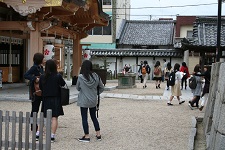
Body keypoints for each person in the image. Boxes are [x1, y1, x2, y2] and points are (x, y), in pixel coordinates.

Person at [76, 60, 104, 142]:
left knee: (84, 118)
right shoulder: (96, 76)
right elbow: (102, 88)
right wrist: (95, 93)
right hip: (93, 100)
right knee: (93, 117)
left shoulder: (81, 77)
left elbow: (77, 88)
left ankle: (87, 136)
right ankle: (98, 134)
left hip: (83, 100)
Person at [39, 59, 65, 142]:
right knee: (54, 117)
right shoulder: (57, 76)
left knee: (43, 116)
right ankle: (52, 135)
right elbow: (63, 84)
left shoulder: (42, 76)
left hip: (45, 98)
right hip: (55, 98)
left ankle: (38, 133)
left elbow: (40, 86)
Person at [24, 52, 44, 132]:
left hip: (41, 90)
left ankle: (39, 125)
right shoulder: (34, 67)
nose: (44, 59)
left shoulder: (41, 67)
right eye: (42, 58)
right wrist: (34, 78)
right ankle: (33, 125)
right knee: (35, 109)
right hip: (35, 91)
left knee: (41, 109)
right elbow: (26, 75)